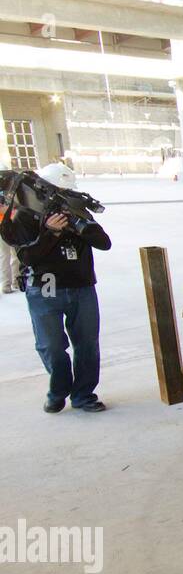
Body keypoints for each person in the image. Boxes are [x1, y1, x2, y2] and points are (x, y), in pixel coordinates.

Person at [0, 162, 111, 413]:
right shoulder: (25, 216)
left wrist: (80, 225)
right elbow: (27, 258)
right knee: (50, 345)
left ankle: (84, 395)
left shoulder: (77, 212)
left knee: (87, 344)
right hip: (45, 289)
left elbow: (104, 243)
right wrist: (51, 232)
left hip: (82, 287)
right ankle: (58, 391)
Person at [1, 194, 19, 294]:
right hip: (4, 227)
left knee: (13, 256)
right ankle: (7, 285)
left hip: (11, 227)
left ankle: (14, 282)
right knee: (7, 256)